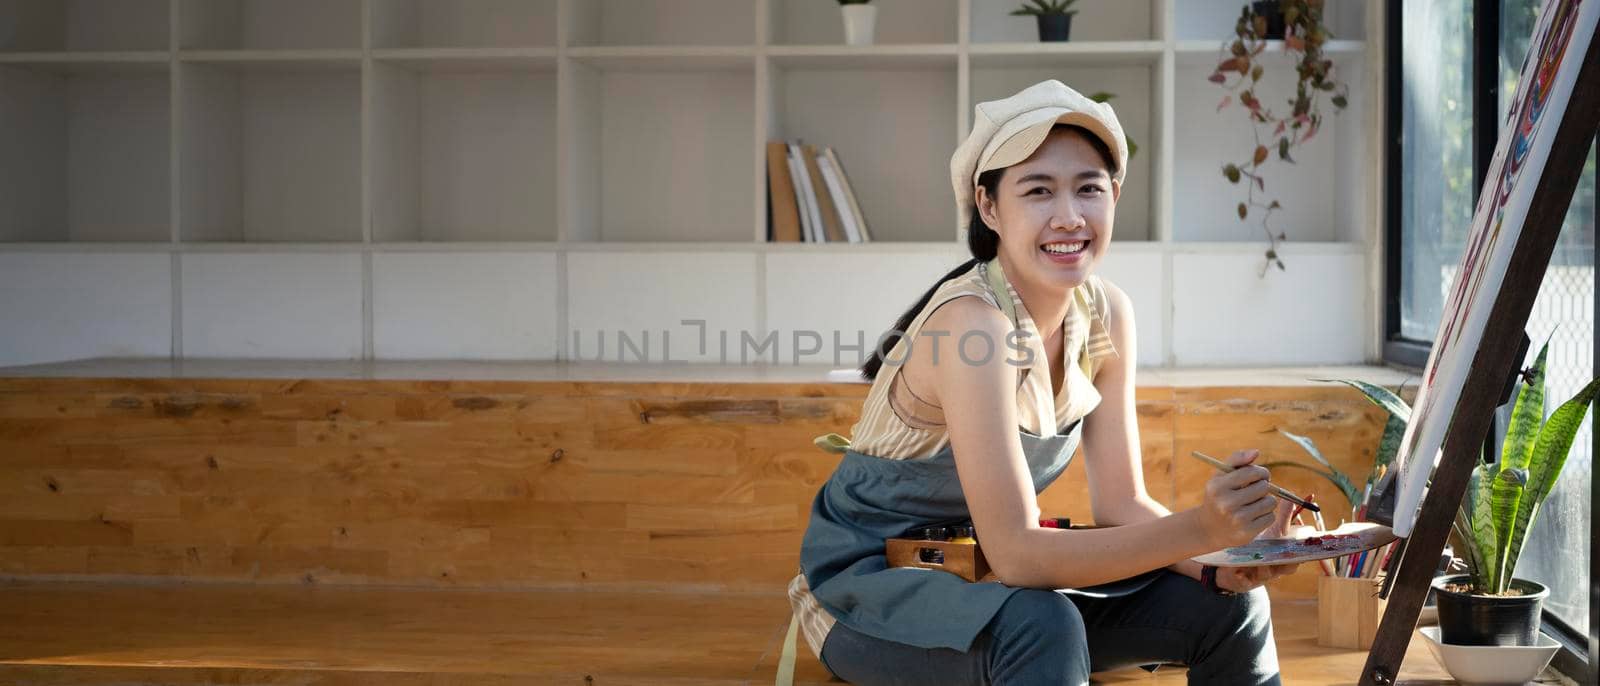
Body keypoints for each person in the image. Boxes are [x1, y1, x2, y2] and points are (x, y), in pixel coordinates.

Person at [779, 80, 1300, 685]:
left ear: (1115, 196)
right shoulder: (972, 326)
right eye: (1038, 191)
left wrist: (1221, 558)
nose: (1070, 216)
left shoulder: (1105, 312)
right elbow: (1019, 553)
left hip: (985, 577)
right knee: (1042, 623)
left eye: (1088, 188)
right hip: (866, 595)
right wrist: (1200, 528)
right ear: (990, 206)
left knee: (1232, 606)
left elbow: (1121, 503)